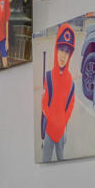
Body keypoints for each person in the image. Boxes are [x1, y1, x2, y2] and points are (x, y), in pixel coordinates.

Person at [39, 22, 78, 161]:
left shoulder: (70, 82)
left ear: (70, 55)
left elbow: (70, 106)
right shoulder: (48, 76)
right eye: (61, 49)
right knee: (46, 160)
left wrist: (62, 122)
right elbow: (44, 102)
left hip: (61, 132)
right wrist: (51, 118)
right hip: (49, 130)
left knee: (62, 159)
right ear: (56, 50)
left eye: (67, 51)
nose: (63, 55)